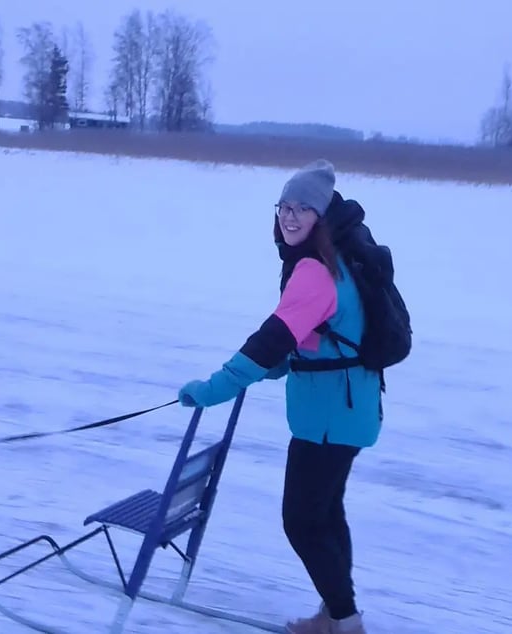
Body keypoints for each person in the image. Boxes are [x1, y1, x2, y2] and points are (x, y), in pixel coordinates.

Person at [178, 159, 380, 634]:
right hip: (348, 410)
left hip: (329, 417)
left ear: (321, 217)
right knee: (326, 515)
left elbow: (269, 340)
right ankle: (335, 615)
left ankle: (346, 623)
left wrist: (213, 389)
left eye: (302, 209)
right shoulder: (338, 262)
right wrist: (281, 365)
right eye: (284, 206)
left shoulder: (315, 271)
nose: (290, 217)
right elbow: (318, 338)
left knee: (302, 522)